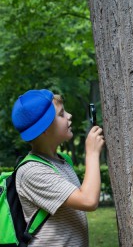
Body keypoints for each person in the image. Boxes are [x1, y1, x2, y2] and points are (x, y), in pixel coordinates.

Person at [11, 89, 105, 246]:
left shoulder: (62, 160)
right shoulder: (31, 171)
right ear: (45, 128)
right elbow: (88, 200)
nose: (69, 116)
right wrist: (92, 153)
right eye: (61, 114)